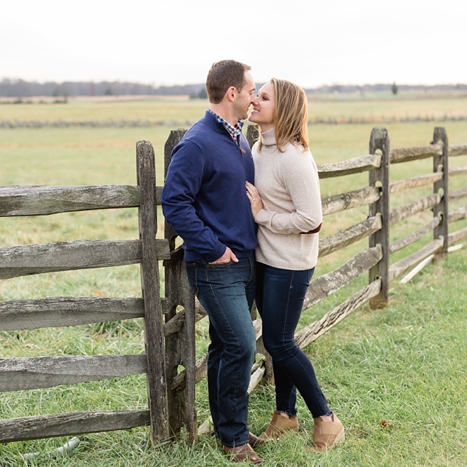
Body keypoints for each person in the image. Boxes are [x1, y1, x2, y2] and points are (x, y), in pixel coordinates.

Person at [162, 60, 264, 464]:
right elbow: (175, 203)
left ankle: (228, 430)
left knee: (225, 347)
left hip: (245, 262)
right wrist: (213, 247)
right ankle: (235, 440)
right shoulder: (198, 142)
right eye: (251, 90)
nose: (255, 97)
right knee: (241, 345)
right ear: (232, 94)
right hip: (216, 265)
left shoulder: (238, 139)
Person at [245, 78, 345, 451]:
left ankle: (326, 418)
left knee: (279, 342)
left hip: (291, 263)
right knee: (276, 341)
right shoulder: (259, 148)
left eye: (264, 96)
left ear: (283, 108)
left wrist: (263, 216)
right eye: (256, 93)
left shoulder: (295, 158)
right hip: (265, 258)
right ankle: (285, 415)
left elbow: (311, 219)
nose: (254, 99)